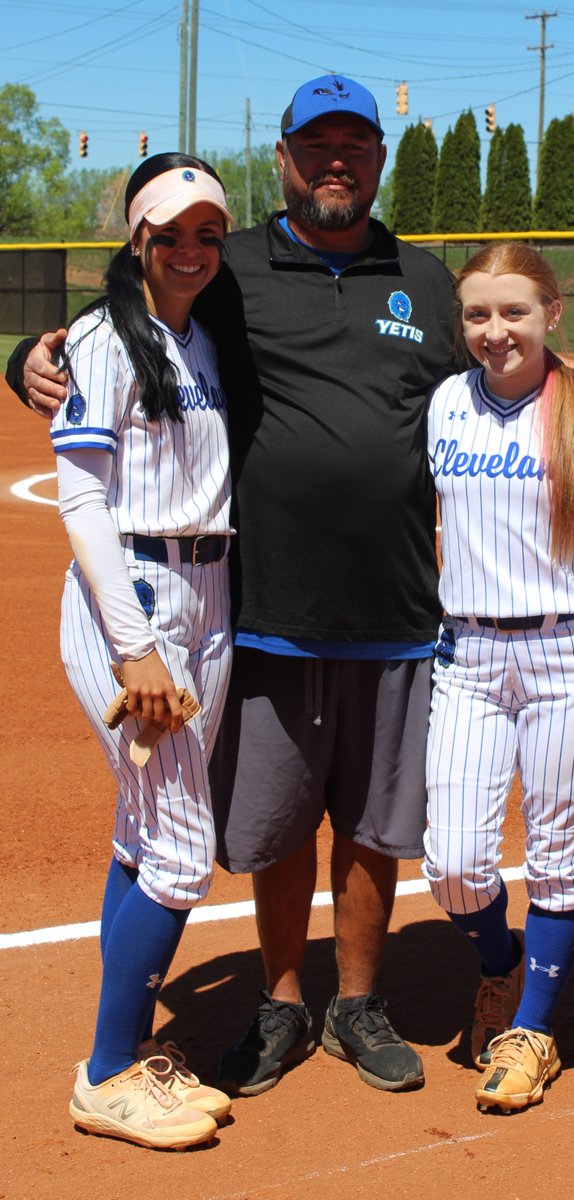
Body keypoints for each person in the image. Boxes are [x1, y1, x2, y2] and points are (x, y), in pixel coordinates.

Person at [11, 76, 459, 1098]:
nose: (336, 160)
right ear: (286, 158)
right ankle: (281, 1002)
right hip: (258, 608)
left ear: (379, 159)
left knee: (373, 826)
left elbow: (496, 377)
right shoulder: (233, 265)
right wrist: (26, 358)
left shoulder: (425, 281)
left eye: (357, 143)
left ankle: (358, 1003)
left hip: (393, 606)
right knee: (265, 825)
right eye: (317, 144)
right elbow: (123, 315)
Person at [51, 153, 236, 1149]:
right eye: (172, 232)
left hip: (206, 593)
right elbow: (82, 497)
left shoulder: (203, 337)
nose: (193, 249)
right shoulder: (104, 338)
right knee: (180, 847)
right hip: (139, 601)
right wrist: (135, 650)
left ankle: (122, 1054)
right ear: (138, 239)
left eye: (209, 231)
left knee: (144, 827)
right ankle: (110, 1070)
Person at [424, 244, 574, 1112]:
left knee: (558, 857)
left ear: (550, 311)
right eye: (477, 314)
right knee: (454, 863)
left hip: (572, 651)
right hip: (467, 654)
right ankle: (502, 965)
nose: (496, 330)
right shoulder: (445, 403)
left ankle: (532, 1031)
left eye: (514, 311)